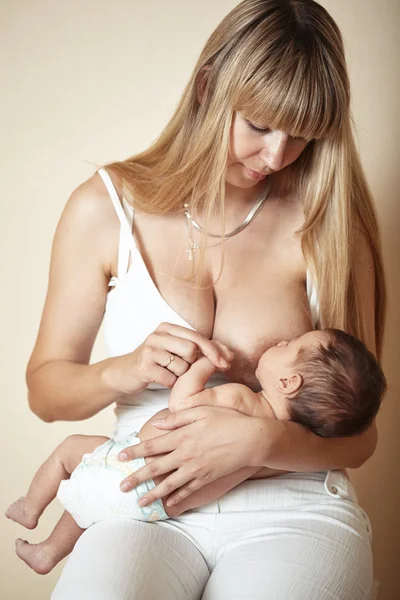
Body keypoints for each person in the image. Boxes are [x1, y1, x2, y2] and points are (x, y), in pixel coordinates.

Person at [25, 0, 386, 598]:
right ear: (207, 89)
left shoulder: (331, 226)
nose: (276, 157)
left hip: (294, 504)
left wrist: (260, 442)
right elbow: (45, 393)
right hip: (142, 493)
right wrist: (126, 369)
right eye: (261, 125)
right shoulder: (105, 209)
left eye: (301, 137)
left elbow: (362, 434)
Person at [6, 329, 387, 575]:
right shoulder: (279, 455)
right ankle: (49, 552)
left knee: (72, 452)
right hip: (158, 506)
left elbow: (183, 405)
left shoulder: (241, 398)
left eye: (291, 345)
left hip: (130, 462)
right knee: (95, 502)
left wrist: (203, 366)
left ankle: (31, 508)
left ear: (288, 382)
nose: (283, 342)